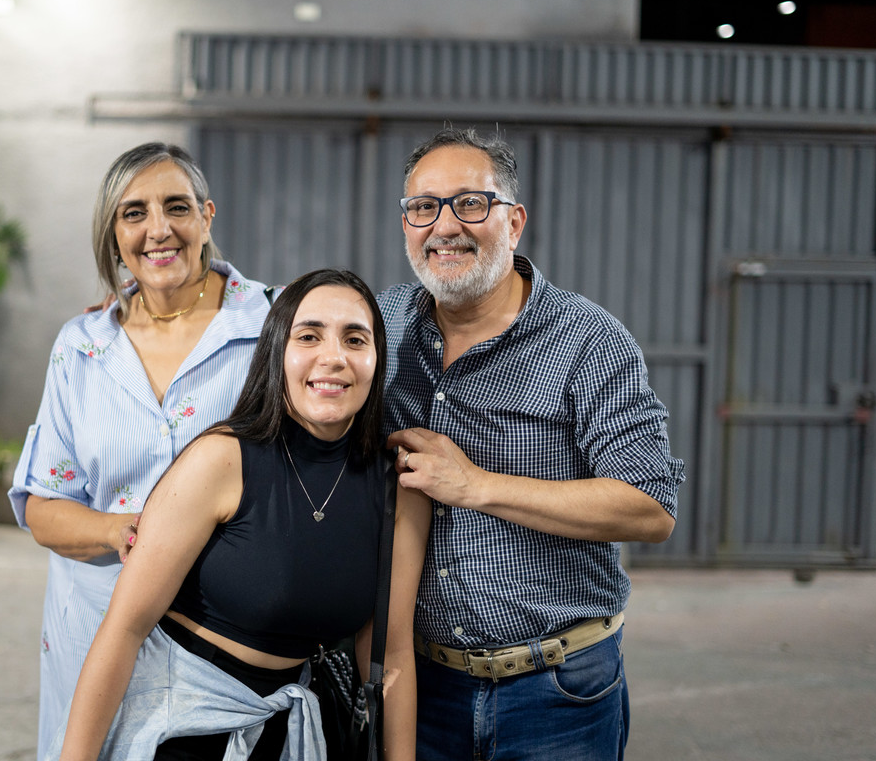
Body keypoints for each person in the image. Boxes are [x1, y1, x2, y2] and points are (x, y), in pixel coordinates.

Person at [380, 127, 685, 760]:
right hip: (421, 685)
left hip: (557, 690)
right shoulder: (379, 328)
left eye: (470, 203)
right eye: (423, 207)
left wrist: (475, 486)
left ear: (513, 221)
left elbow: (650, 509)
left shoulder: (588, 342)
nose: (444, 226)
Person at [52, 268, 430, 761]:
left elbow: (391, 652)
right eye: (309, 336)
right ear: (277, 352)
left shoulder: (399, 490)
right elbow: (125, 628)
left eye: (355, 339)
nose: (334, 358)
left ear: (377, 361)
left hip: (290, 731)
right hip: (177, 726)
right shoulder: (221, 460)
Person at [8, 142, 273, 759]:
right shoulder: (83, 346)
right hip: (93, 635)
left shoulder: (273, 328)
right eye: (134, 213)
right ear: (114, 234)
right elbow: (43, 505)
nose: (159, 230)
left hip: (223, 647)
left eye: (176, 207)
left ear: (207, 217)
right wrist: (116, 531)